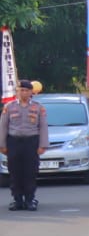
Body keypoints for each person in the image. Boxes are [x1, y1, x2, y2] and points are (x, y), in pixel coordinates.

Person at [1, 78, 48, 211]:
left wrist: (42, 145)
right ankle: (17, 200)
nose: (23, 93)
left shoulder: (38, 107)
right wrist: (2, 144)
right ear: (17, 91)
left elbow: (43, 127)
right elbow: (3, 126)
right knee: (14, 172)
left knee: (30, 172)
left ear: (31, 92)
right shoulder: (9, 107)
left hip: (31, 142)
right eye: (20, 90)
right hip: (14, 142)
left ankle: (30, 199)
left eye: (26, 90)